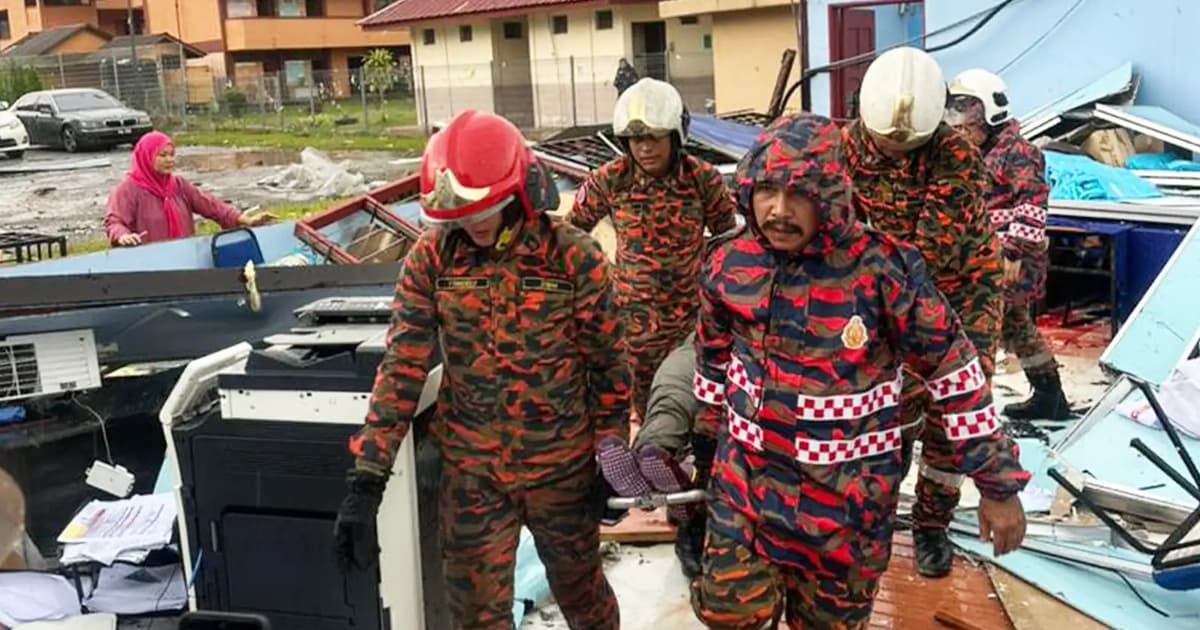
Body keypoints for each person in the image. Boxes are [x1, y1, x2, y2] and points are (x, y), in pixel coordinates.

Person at [690, 112, 1029, 629]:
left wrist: (997, 484)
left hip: (845, 511)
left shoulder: (882, 271)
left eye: (799, 194)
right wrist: (701, 451)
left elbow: (954, 372)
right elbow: (712, 361)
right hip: (747, 494)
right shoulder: (728, 264)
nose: (779, 210)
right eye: (767, 191)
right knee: (729, 614)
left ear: (829, 194)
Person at [334, 110, 628, 630]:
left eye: (485, 210)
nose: (474, 225)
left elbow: (609, 368)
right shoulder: (432, 258)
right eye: (460, 217)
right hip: (473, 474)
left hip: (562, 469)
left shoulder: (573, 257)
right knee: (474, 615)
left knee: (583, 598)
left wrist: (611, 454)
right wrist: (367, 479)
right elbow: (402, 366)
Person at [841, 47, 1003, 579]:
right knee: (879, 410)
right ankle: (878, 508)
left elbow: (930, 254)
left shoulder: (957, 156)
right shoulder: (841, 151)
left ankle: (933, 523)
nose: (895, 151)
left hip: (962, 291)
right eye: (886, 142)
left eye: (907, 145)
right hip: (876, 292)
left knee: (951, 414)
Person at [568, 77, 737, 428]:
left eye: (654, 138)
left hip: (690, 321)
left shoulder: (702, 179)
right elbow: (571, 234)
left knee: (693, 407)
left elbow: (728, 238)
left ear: (674, 136)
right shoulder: (610, 179)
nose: (645, 148)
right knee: (646, 415)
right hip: (634, 326)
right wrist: (596, 285)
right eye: (636, 139)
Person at [946, 69, 1072, 421]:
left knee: (981, 329)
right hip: (987, 257)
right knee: (1015, 326)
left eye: (968, 120)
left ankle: (974, 408)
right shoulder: (981, 151)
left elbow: (1032, 202)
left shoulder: (1017, 152)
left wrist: (1014, 252)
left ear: (988, 113)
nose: (961, 127)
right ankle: (1050, 396)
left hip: (1010, 259)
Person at [104, 131, 274, 247]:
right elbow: (115, 222)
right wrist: (123, 236)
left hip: (183, 257)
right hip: (146, 264)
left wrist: (246, 220)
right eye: (162, 155)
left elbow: (213, 206)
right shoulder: (127, 190)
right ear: (146, 157)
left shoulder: (178, 185)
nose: (169, 160)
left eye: (172, 155)